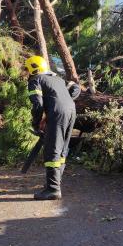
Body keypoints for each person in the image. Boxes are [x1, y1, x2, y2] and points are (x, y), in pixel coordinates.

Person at [25, 55, 80, 200]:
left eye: (27, 70)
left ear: (32, 69)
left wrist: (36, 123)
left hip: (57, 113)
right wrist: (64, 99)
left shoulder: (35, 80)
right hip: (71, 110)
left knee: (52, 150)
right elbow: (76, 87)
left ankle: (53, 189)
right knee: (62, 149)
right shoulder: (58, 79)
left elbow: (37, 105)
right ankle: (54, 184)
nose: (27, 73)